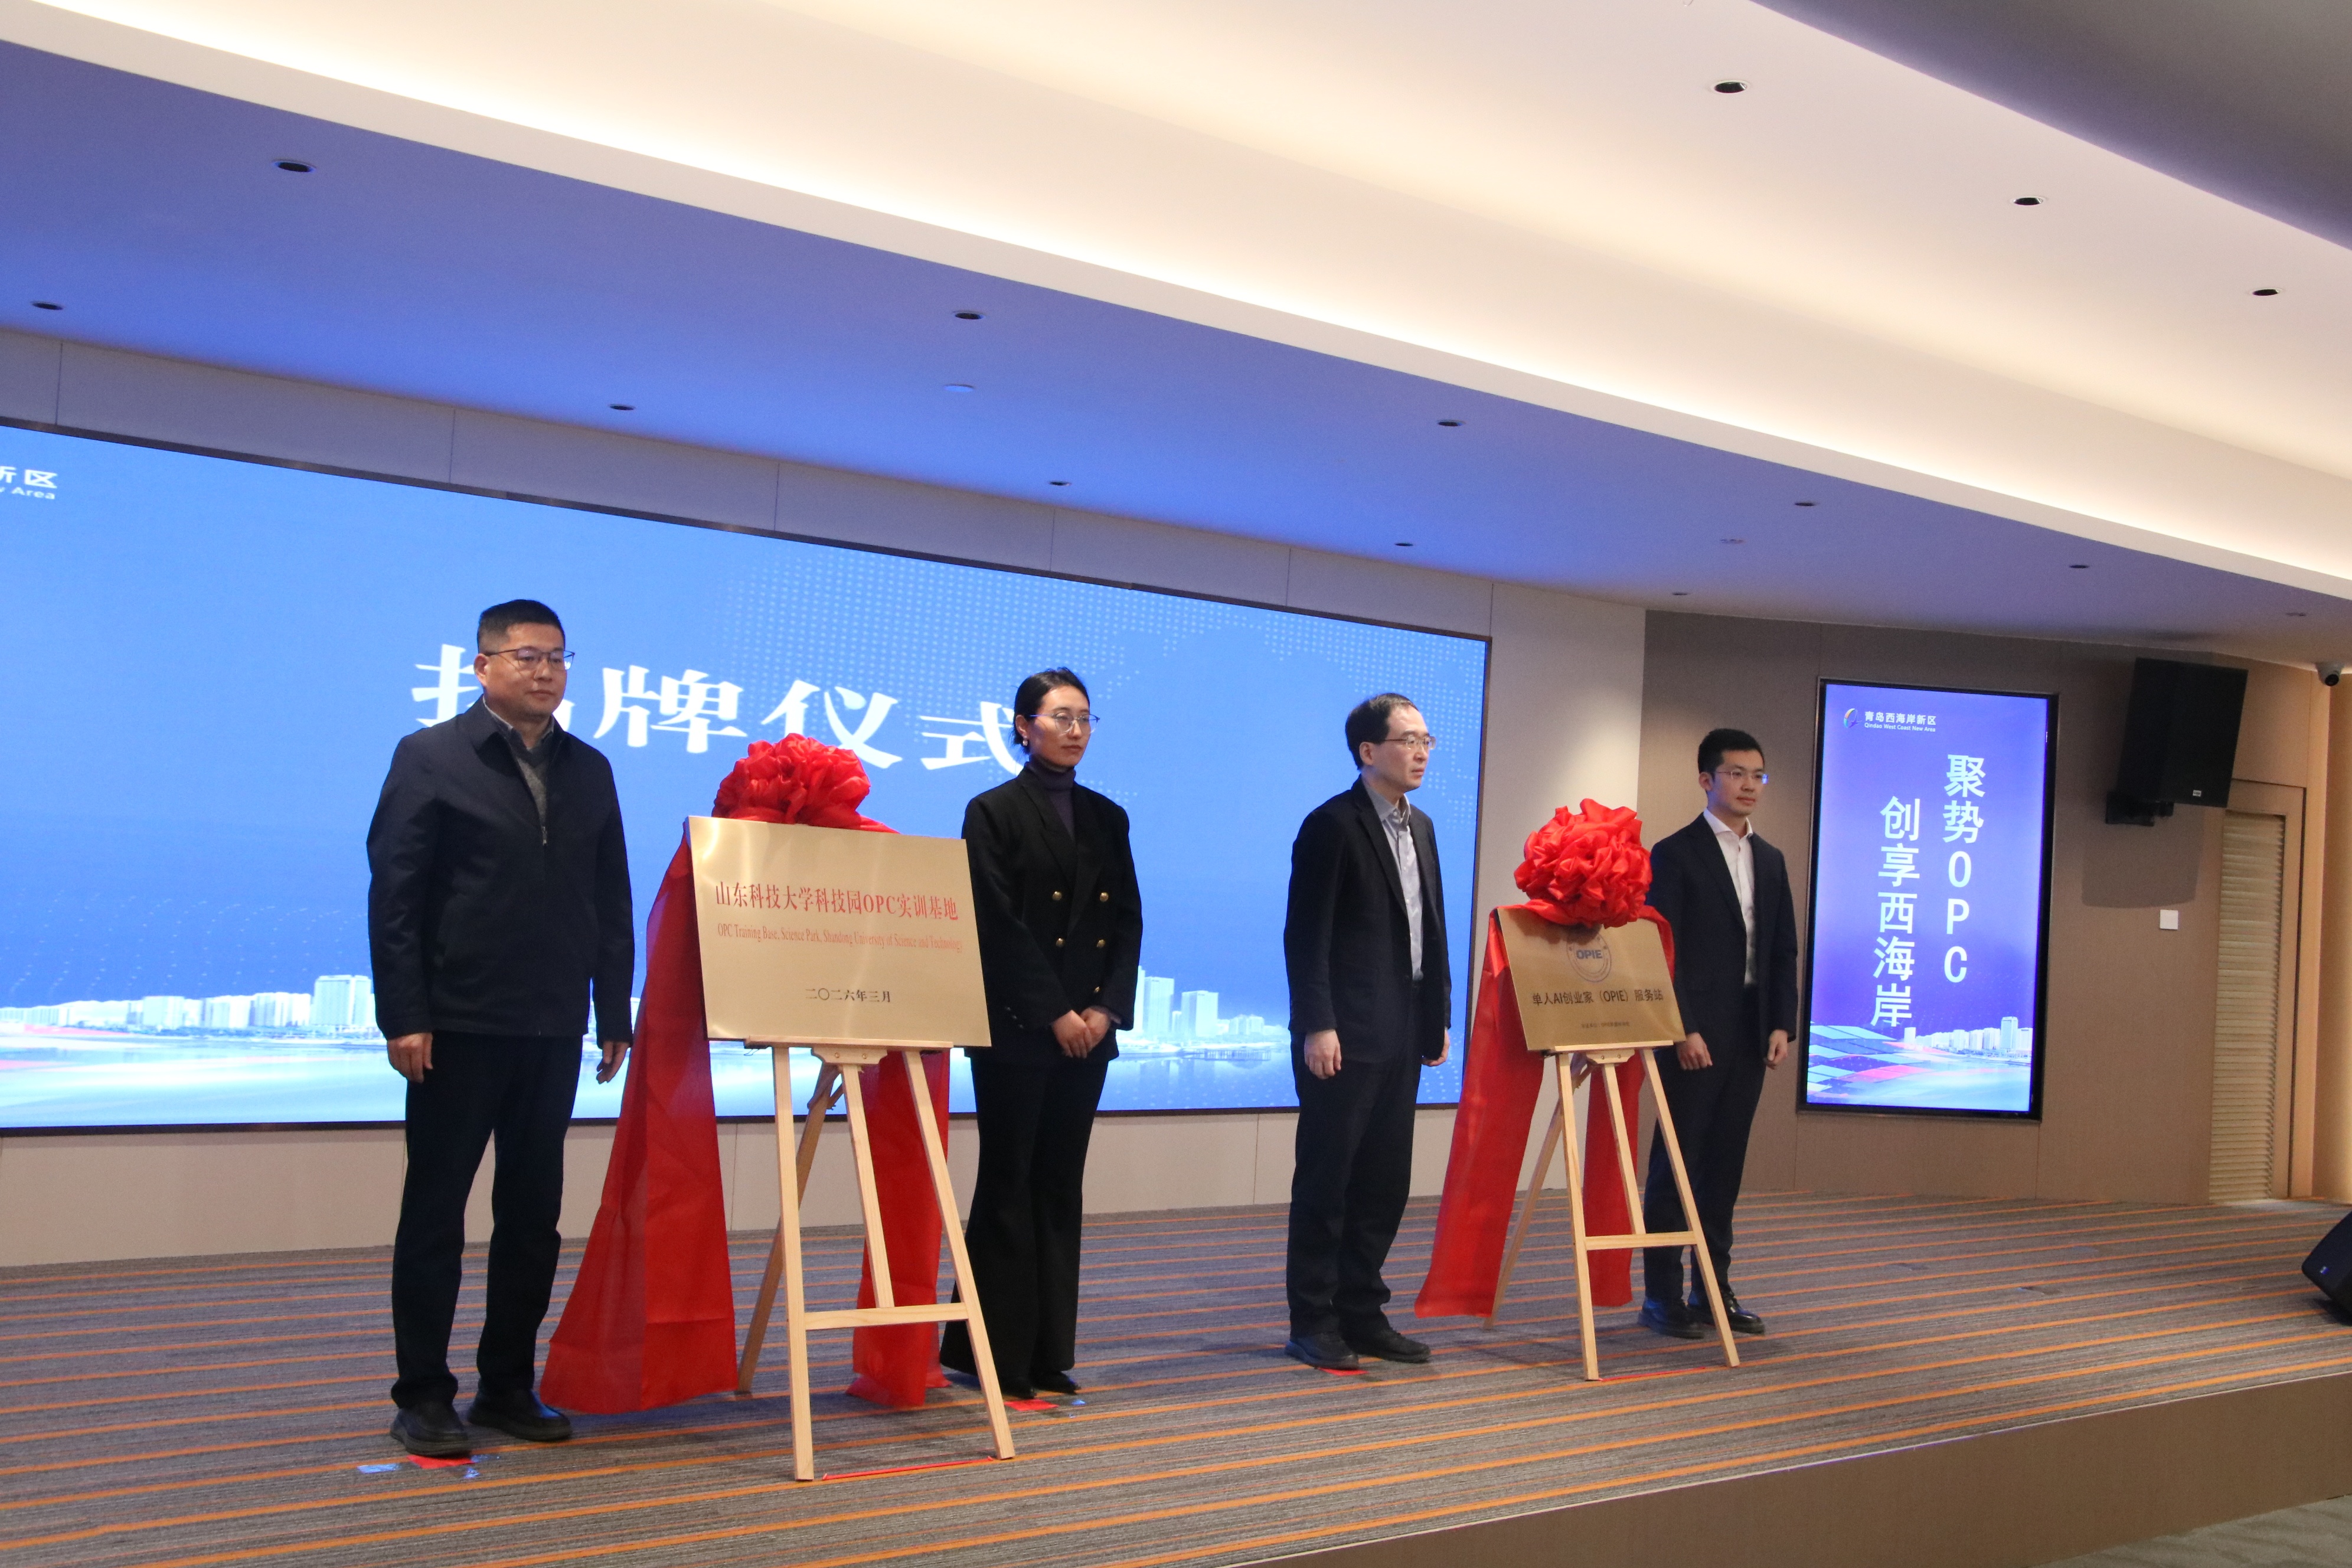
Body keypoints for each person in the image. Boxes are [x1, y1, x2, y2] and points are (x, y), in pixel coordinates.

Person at [368, 599, 635, 1456]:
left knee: (532, 1216)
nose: (545, 671)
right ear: (482, 666)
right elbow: (396, 896)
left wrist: (614, 1009)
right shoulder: (431, 756)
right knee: (436, 1212)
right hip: (457, 1024)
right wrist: (405, 1013)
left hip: (551, 1024)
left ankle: (507, 1385)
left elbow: (611, 895)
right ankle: (423, 1395)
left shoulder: (590, 768)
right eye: (526, 656)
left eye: (557, 657)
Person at [939, 668, 1142, 1400]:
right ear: (1023, 726)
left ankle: (1050, 1349)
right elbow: (995, 923)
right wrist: (1055, 1012)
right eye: (1060, 717)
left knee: (1060, 1185)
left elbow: (1128, 921)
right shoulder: (992, 810)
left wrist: (1104, 1010)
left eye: (1085, 717)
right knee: (1009, 1182)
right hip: (1020, 1031)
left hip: (1090, 1031)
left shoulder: (1108, 816)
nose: (1075, 730)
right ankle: (994, 1354)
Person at [1281, 693, 1452, 1371]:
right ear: (1368, 751)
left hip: (1403, 1027)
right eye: (1408, 740)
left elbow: (1430, 928)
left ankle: (1363, 1310)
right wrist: (1317, 1024)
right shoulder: (1332, 825)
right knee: (1329, 1180)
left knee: (1385, 1180)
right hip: (1344, 1033)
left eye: (1427, 739)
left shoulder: (1424, 826)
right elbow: (1306, 935)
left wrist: (1436, 1017)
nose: (1421, 752)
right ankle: (1313, 1320)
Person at [1639, 727, 1798, 1340]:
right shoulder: (1675, 853)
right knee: (1677, 1162)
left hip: (1752, 1031)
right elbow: (1662, 950)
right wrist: (1682, 1028)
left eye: (1758, 775)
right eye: (1736, 773)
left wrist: (1781, 1022)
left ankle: (1712, 1288)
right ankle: (1660, 1294)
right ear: (1707, 780)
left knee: (1724, 1165)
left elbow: (1781, 949)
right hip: (1695, 1034)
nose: (1749, 784)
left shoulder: (1771, 858)